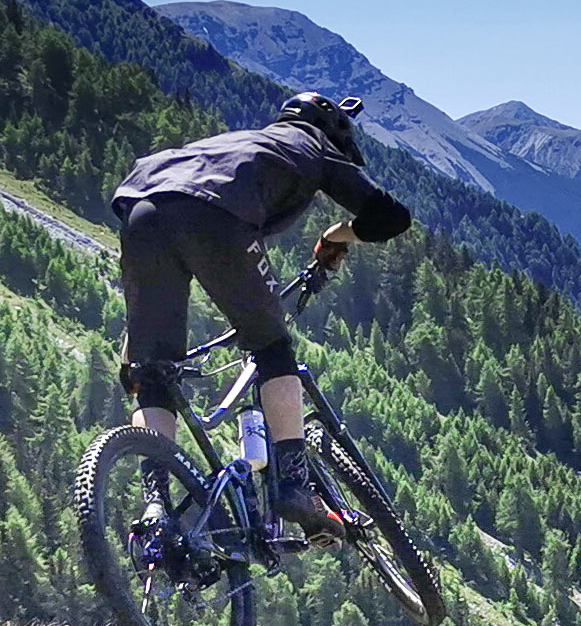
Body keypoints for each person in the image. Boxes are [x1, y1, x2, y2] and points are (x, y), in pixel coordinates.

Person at [113, 92, 412, 532]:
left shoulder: (237, 143)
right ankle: (294, 486)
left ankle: (156, 506)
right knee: (273, 348)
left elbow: (171, 210)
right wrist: (338, 234)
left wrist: (135, 351)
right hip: (215, 216)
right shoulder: (312, 144)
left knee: (152, 373)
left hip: (142, 211)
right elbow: (392, 218)